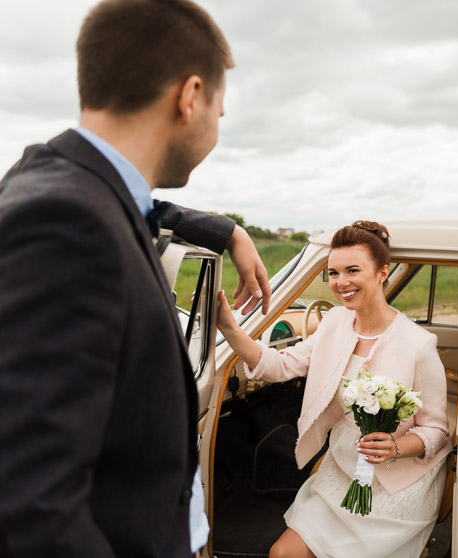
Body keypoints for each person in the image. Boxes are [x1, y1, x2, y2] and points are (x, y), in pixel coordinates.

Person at [0, 1, 271, 556]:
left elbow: (136, 207)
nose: (216, 126)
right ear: (190, 96)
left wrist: (226, 232)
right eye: (219, 110)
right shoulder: (66, 224)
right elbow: (28, 500)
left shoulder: (63, 188)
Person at [217, 221, 453, 558]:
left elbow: (437, 432)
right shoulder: (333, 322)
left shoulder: (419, 345)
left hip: (396, 487)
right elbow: (281, 366)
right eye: (333, 273)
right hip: (341, 472)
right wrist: (228, 328)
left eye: (353, 270)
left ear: (382, 272)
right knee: (282, 554)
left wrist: (395, 447)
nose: (341, 283)